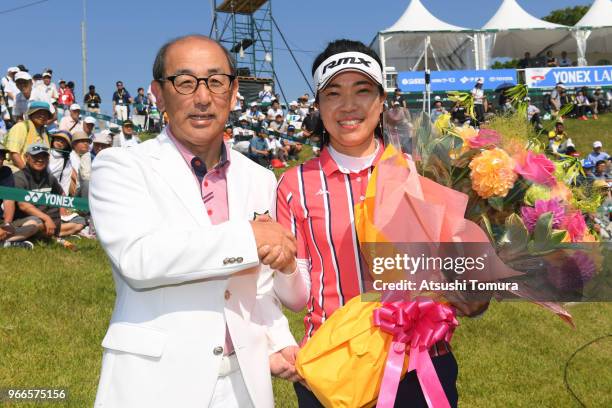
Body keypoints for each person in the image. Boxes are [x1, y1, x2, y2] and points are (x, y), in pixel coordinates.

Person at [89, 34, 307, 408]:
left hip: (243, 383)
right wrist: (247, 237)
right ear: (158, 93)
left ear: (234, 91)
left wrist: (276, 341)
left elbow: (258, 289)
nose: (202, 97)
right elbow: (139, 259)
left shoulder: (259, 179)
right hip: (155, 383)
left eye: (216, 81)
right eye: (185, 82)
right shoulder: (121, 166)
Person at [277, 39, 487, 408]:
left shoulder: (422, 171)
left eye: (363, 90)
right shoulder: (295, 184)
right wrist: (283, 266)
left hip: (420, 363)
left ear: (381, 101)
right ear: (318, 105)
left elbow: (464, 274)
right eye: (333, 93)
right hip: (334, 367)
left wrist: (474, 282)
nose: (348, 105)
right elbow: (296, 296)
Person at [12, 142, 85, 239]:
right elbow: (23, 205)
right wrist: (46, 218)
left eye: (44, 156)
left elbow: (61, 194)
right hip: (26, 219)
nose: (40, 159)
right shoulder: (18, 177)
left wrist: (63, 211)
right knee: (35, 223)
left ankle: (44, 234)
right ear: (26, 157)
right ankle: (13, 238)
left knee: (79, 221)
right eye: (35, 156)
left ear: (48, 158)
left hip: (49, 218)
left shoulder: (50, 178)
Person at [0, 142, 37, 249]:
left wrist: (7, 224)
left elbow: (9, 199)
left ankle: (4, 242)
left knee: (33, 225)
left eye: (2, 155)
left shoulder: (6, 171)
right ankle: (7, 243)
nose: (1, 158)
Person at [2, 101, 51, 171]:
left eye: (45, 114)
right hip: (17, 170)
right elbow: (14, 154)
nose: (42, 116)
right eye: (39, 112)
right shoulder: (21, 127)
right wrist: (28, 173)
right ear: (31, 114)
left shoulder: (45, 132)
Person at [48, 130, 76, 196]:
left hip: (53, 193)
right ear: (53, 140)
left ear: (67, 145)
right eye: (58, 139)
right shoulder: (45, 153)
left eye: (64, 141)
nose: (60, 142)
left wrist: (63, 200)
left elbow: (65, 182)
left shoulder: (67, 160)